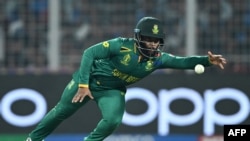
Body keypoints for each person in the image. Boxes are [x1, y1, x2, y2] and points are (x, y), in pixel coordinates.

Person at [26, 16, 227, 141]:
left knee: (113, 120)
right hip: (88, 80)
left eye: (156, 41)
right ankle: (33, 139)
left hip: (111, 90)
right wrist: (83, 84)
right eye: (148, 39)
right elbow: (89, 53)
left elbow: (183, 62)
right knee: (61, 112)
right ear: (138, 37)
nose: (153, 44)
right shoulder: (121, 45)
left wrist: (207, 61)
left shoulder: (157, 60)